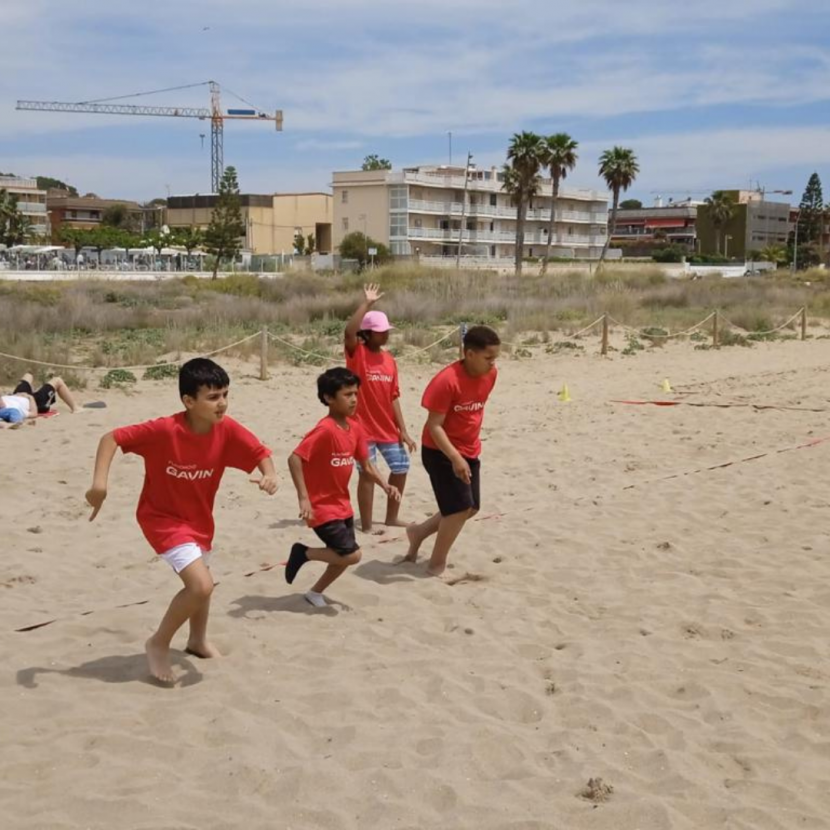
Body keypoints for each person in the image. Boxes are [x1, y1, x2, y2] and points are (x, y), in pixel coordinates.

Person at [85, 357, 278, 684]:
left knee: (204, 585)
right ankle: (158, 642)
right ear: (189, 401)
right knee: (200, 584)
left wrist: (269, 476)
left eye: (226, 395)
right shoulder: (165, 430)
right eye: (213, 397)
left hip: (199, 521)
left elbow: (260, 453)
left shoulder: (226, 430)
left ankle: (197, 640)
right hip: (161, 520)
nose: (222, 404)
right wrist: (99, 484)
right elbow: (112, 438)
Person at [286, 367, 401, 608]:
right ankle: (303, 553)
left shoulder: (355, 427)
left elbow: (366, 465)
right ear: (329, 398)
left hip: (343, 504)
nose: (353, 400)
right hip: (321, 507)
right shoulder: (325, 430)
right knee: (353, 554)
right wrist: (304, 499)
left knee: (342, 558)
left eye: (356, 394)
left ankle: (315, 592)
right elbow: (294, 458)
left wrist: (385, 485)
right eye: (347, 394)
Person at [404, 325, 501, 577]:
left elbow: (474, 412)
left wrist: (466, 451)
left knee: (471, 508)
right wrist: (455, 457)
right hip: (439, 451)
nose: (493, 363)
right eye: (488, 358)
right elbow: (434, 426)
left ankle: (418, 532)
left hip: (469, 448)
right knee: (458, 508)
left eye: (495, 358)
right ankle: (436, 564)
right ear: (469, 354)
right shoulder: (446, 381)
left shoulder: (491, 375)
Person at [344, 283, 416, 532]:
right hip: (361, 428)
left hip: (386, 428)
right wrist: (367, 304)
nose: (386, 335)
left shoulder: (389, 360)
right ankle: (365, 525)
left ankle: (391, 517)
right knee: (367, 474)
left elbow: (393, 396)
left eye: (387, 331)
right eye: (381, 331)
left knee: (401, 467)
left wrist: (403, 429)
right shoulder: (357, 355)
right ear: (368, 333)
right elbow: (348, 332)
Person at [12, 372, 78, 415]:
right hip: (32, 404)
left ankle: (33, 393)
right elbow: (32, 414)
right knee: (58, 380)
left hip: (17, 397)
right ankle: (75, 408)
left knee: (28, 375)